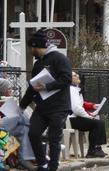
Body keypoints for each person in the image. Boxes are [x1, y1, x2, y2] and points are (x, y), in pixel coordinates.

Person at [18, 31, 72, 171]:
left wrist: (47, 86)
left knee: (54, 138)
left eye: (31, 48)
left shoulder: (59, 58)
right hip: (42, 108)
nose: (30, 51)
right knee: (33, 133)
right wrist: (22, 106)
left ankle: (53, 167)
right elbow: (32, 88)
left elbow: (66, 79)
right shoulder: (38, 64)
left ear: (36, 46)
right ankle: (42, 164)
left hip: (59, 106)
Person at [68, 72, 108, 158]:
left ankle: (96, 149)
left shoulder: (75, 89)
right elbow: (76, 108)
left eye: (77, 74)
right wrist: (88, 116)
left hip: (75, 118)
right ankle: (93, 150)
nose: (78, 76)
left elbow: (80, 105)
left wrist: (90, 113)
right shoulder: (71, 90)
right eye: (75, 75)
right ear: (69, 79)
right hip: (71, 119)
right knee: (97, 123)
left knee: (98, 122)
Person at [0, 77, 34, 168]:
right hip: (1, 126)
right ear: (2, 90)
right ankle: (33, 126)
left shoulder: (10, 100)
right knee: (18, 115)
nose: (11, 90)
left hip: (8, 127)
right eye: (8, 88)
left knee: (23, 129)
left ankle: (23, 159)